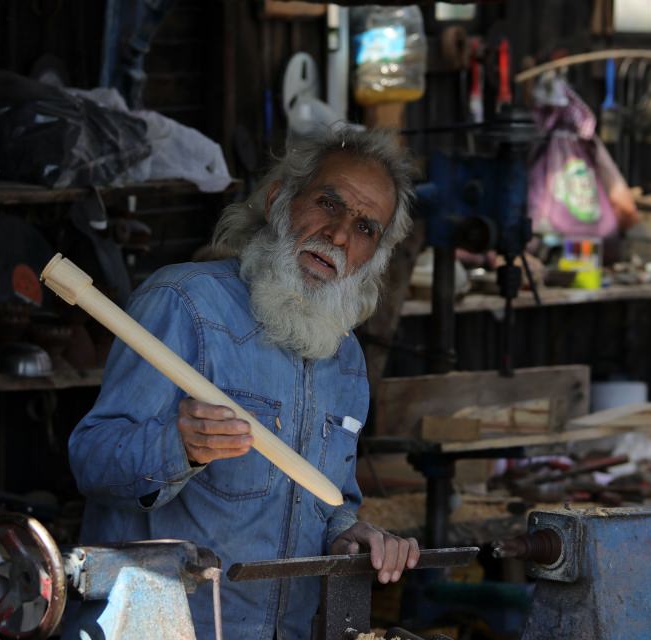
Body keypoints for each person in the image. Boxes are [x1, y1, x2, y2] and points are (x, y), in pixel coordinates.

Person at [67, 127, 420, 639]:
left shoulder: (345, 359)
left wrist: (350, 536)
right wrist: (179, 446)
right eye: (328, 203)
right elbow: (91, 460)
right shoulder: (184, 304)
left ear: (375, 257)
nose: (340, 235)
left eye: (366, 227)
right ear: (280, 198)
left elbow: (330, 503)